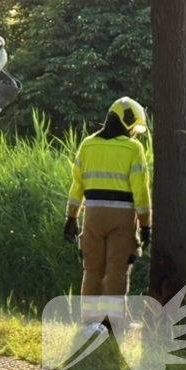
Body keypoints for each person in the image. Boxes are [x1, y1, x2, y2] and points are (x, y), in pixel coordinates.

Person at [64, 97, 152, 329]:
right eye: (134, 127)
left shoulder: (87, 144)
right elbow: (141, 192)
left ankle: (90, 322)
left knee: (92, 269)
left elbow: (77, 186)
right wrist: (145, 225)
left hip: (92, 215)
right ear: (127, 121)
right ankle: (112, 323)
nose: (134, 132)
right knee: (116, 271)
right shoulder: (133, 148)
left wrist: (71, 218)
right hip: (122, 218)